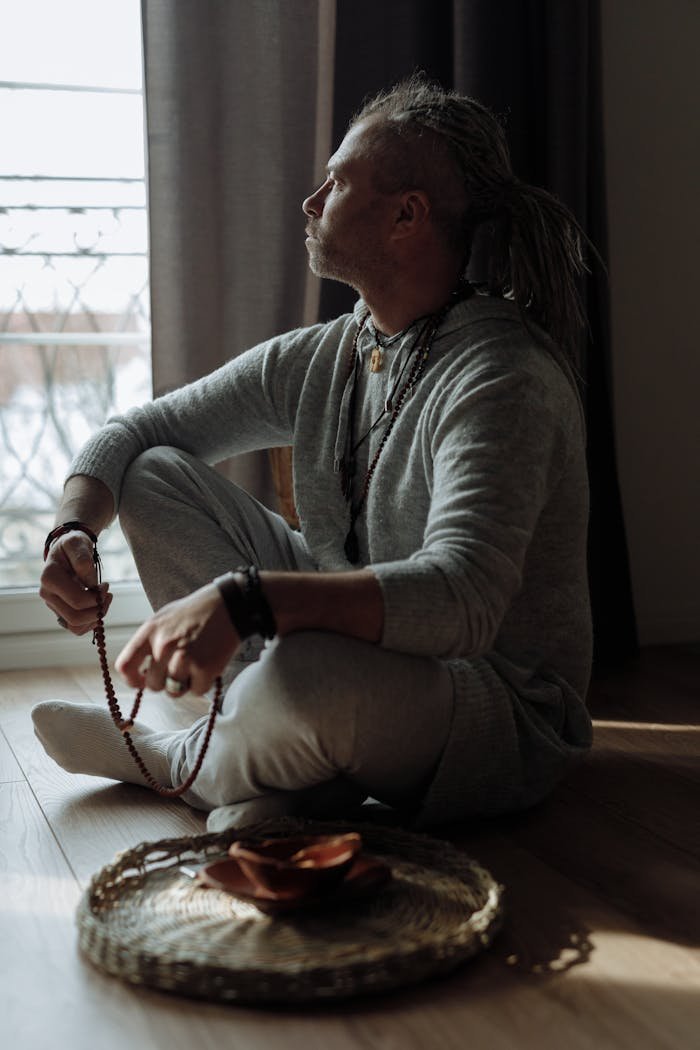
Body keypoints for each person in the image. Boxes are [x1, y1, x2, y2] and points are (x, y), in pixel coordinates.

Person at [32, 76, 593, 832]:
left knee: (303, 675)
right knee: (153, 472)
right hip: (357, 663)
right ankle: (290, 769)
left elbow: (463, 599)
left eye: (336, 182)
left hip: (492, 706)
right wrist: (72, 530)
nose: (311, 199)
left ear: (405, 215)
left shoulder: (501, 377)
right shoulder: (335, 351)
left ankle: (179, 762)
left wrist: (246, 599)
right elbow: (137, 431)